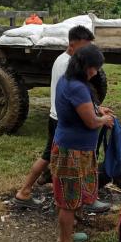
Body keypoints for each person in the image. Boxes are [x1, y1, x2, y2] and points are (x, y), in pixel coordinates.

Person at [13, 25, 109, 213]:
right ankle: (26, 192)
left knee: (50, 157)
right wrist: (98, 116)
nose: (87, 52)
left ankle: (82, 196)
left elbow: (81, 98)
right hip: (63, 119)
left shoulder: (64, 60)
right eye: (84, 48)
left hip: (59, 116)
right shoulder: (70, 66)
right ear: (72, 45)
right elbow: (77, 98)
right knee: (53, 158)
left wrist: (96, 107)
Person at [50, 44, 115, 242]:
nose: (96, 73)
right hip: (72, 152)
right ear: (85, 66)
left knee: (72, 197)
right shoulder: (77, 87)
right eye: (94, 68)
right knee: (68, 202)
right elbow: (91, 122)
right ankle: (65, 241)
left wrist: (98, 109)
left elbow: (82, 110)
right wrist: (104, 120)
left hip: (76, 150)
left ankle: (68, 234)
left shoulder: (68, 80)